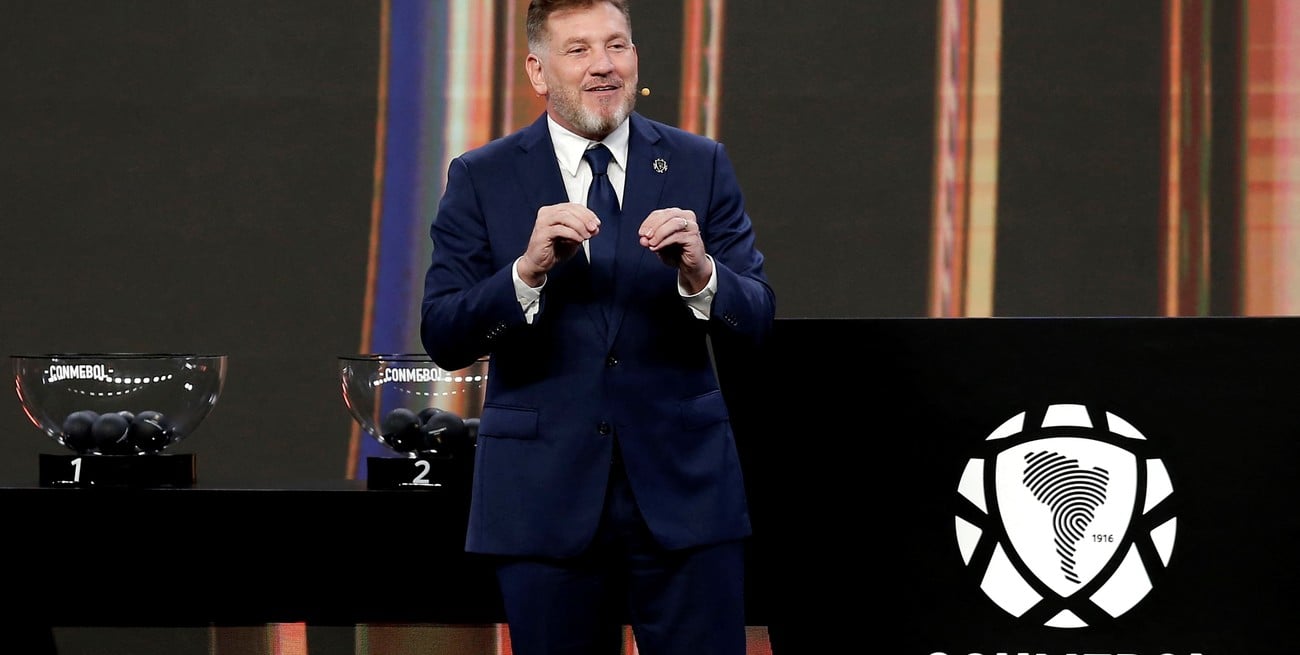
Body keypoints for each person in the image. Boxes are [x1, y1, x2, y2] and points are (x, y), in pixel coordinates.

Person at [420, 0, 775, 653]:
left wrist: (702, 273)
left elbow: (756, 320)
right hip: (541, 499)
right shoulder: (481, 176)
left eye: (617, 45)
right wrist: (524, 273)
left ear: (635, 57)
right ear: (537, 70)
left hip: (685, 493)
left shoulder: (699, 163)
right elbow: (443, 334)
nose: (603, 65)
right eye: (579, 49)